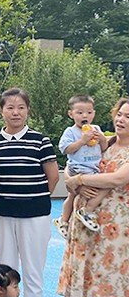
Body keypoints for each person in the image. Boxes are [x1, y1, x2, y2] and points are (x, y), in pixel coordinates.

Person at [58, 97, 129, 297]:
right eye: (120, 114)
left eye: (128, 117)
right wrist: (72, 180)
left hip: (116, 226)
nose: (121, 120)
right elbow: (72, 163)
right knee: (87, 269)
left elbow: (118, 178)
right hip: (88, 221)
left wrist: (79, 180)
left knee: (113, 275)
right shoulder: (104, 141)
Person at [0, 88, 59, 297]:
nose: (15, 112)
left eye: (21, 107)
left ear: (27, 110)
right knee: (5, 267)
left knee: (33, 267)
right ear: (1, 111)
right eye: (10, 107)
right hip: (1, 213)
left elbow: (53, 176)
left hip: (35, 215)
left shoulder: (40, 141)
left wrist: (33, 198)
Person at [54, 94, 109, 236]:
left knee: (101, 188)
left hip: (94, 168)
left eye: (89, 112)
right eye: (80, 112)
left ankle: (78, 214)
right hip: (78, 168)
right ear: (71, 114)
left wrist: (102, 139)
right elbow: (65, 149)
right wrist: (82, 141)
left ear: (94, 113)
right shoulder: (70, 132)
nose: (85, 115)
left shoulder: (96, 129)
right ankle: (70, 217)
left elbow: (104, 149)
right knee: (73, 195)